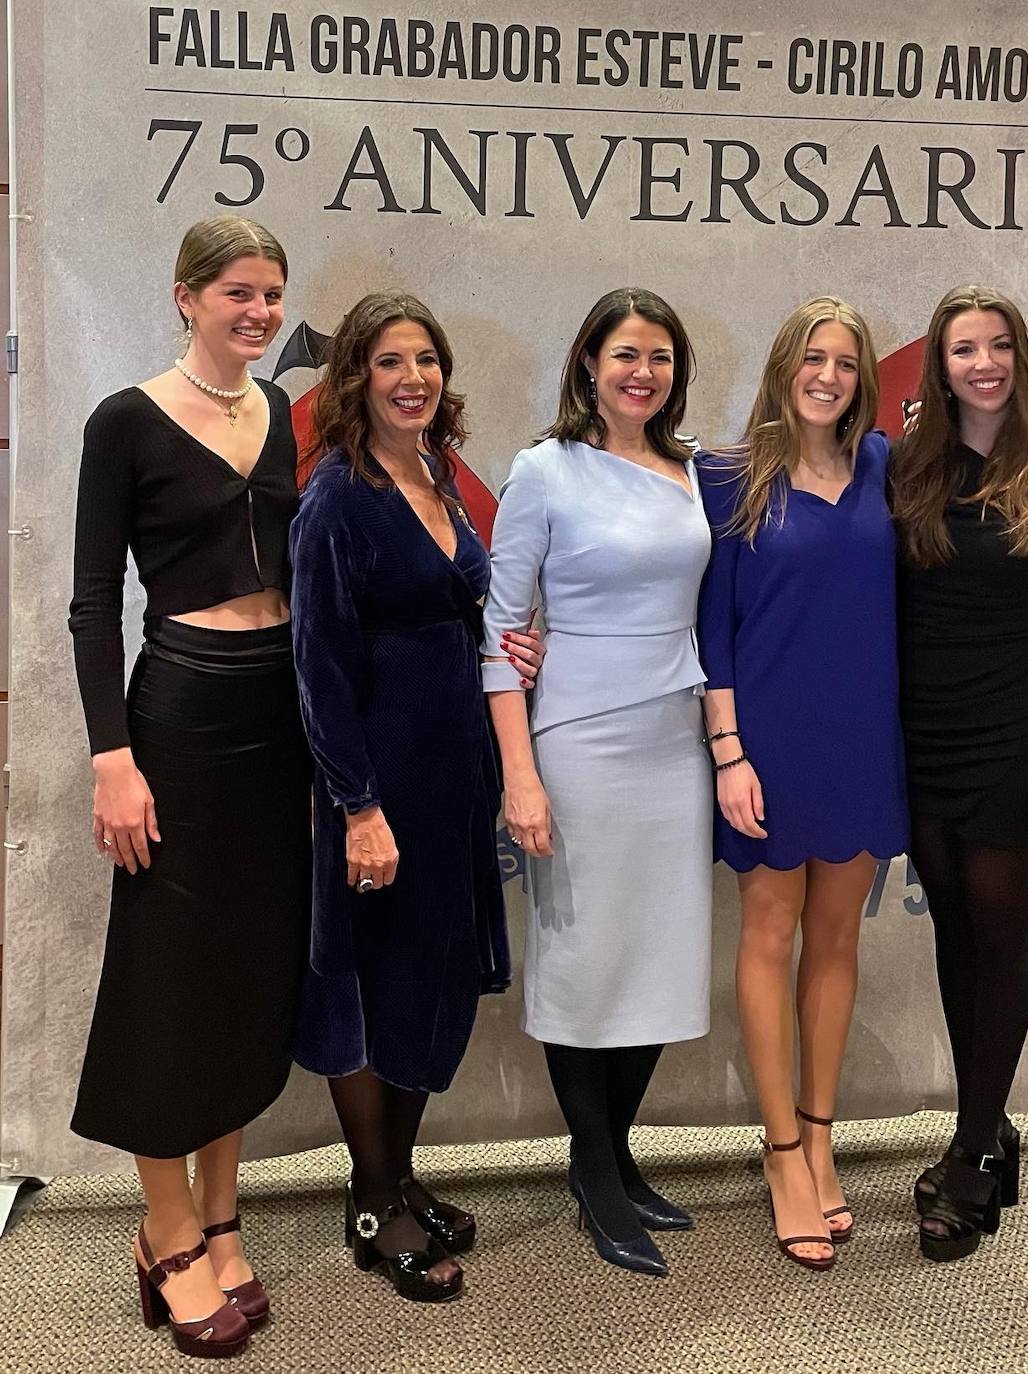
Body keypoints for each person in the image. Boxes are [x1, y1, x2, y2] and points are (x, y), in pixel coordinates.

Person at [68, 216, 310, 1358]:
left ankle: (220, 1210)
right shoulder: (123, 421)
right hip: (179, 715)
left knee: (249, 971)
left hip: (278, 711)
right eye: (237, 293)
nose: (258, 312)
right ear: (185, 298)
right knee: (167, 974)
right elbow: (88, 604)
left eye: (270, 293)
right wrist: (112, 757)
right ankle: (161, 1228)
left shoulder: (279, 418)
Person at [288, 291, 544, 1303]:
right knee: (366, 981)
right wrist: (356, 806)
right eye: (389, 362)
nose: (411, 379)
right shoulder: (338, 498)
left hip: (453, 780)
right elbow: (317, 664)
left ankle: (397, 1177)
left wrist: (505, 641)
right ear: (355, 377)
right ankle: (372, 1195)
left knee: (426, 980)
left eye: (425, 360)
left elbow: (460, 610)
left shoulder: (433, 474)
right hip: (377, 786)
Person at [481, 288, 713, 1278]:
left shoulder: (697, 473)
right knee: (582, 960)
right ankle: (590, 1164)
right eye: (624, 353)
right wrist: (519, 778)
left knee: (657, 956)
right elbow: (498, 633)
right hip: (576, 742)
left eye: (658, 356)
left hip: (674, 742)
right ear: (587, 362)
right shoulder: (544, 469)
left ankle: (618, 1150)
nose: (641, 372)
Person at [694, 298, 908, 1271]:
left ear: (863, 378)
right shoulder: (728, 478)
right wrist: (729, 754)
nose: (827, 375)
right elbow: (710, 628)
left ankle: (820, 1137)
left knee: (832, 939)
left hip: (862, 737)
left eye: (845, 363)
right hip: (766, 745)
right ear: (784, 364)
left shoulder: (882, 469)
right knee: (769, 934)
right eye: (812, 358)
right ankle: (781, 1153)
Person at [892, 285, 1028, 1262]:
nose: (981, 363)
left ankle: (971, 1152)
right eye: (961, 348)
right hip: (916, 734)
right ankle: (993, 1131)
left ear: (1017, 356)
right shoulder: (906, 468)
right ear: (937, 366)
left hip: (1005, 737)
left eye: (996, 345)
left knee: (996, 929)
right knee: (953, 940)